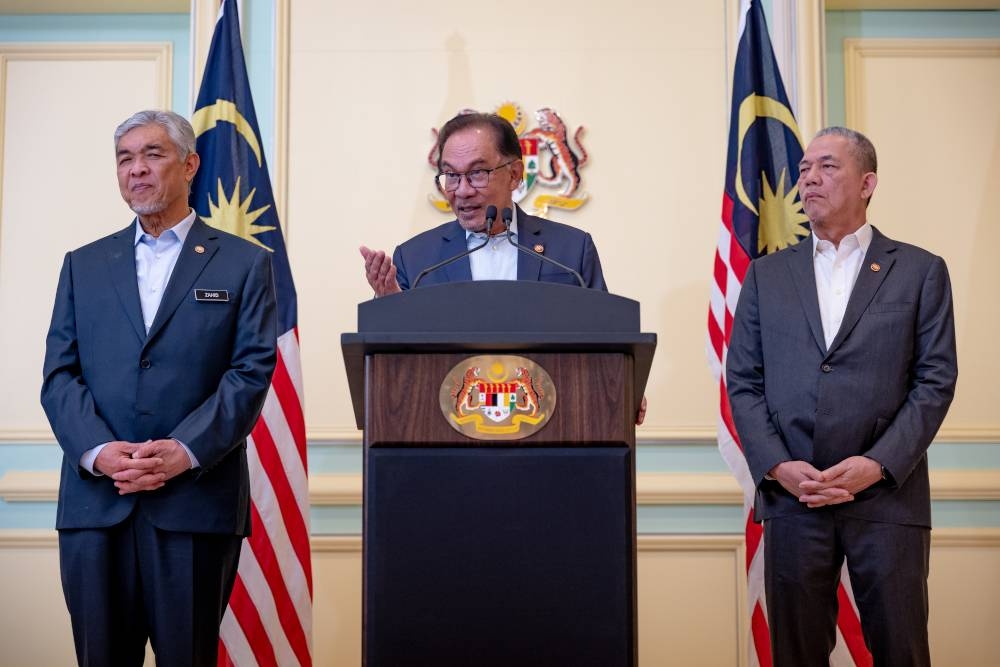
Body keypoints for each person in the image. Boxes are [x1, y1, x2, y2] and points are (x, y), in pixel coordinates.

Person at [40, 109, 277, 666]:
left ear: (190, 164)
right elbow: (59, 375)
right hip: (97, 504)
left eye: (153, 154)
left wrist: (183, 451)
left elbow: (249, 372)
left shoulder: (244, 264)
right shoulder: (83, 264)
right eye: (125, 159)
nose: (137, 170)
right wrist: (100, 453)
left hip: (194, 505)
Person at [726, 126, 957, 666]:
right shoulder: (766, 276)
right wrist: (778, 466)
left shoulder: (920, 271)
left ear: (867, 181)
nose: (809, 178)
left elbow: (935, 379)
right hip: (794, 498)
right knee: (797, 654)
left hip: (886, 498)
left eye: (827, 166)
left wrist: (877, 464)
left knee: (901, 649)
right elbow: (743, 381)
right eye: (805, 169)